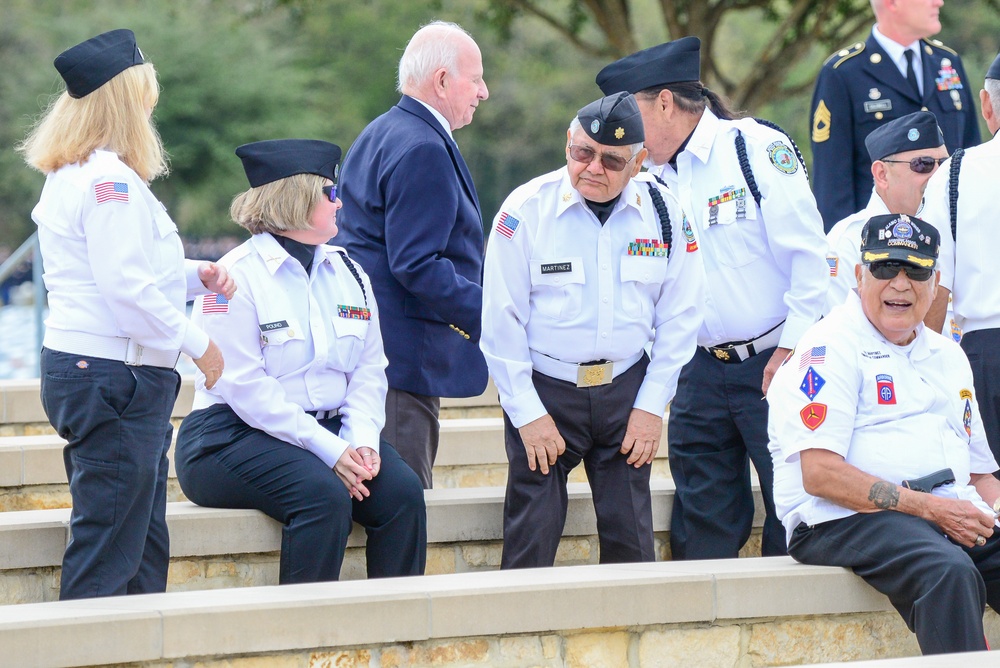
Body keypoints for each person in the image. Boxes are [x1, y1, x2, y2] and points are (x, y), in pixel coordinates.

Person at [16, 29, 233, 600]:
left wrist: (195, 275)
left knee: (136, 544)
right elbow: (126, 289)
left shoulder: (75, 175)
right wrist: (198, 343)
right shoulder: (109, 180)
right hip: (114, 374)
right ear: (122, 104)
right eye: (143, 100)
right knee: (112, 550)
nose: (148, 113)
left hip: (103, 371)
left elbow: (117, 272)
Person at [597, 37, 829, 560]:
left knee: (793, 514)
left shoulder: (751, 147)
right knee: (702, 523)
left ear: (663, 103)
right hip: (697, 371)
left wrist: (792, 349)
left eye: (629, 112)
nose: (624, 132)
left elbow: (811, 258)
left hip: (775, 361)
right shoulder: (645, 180)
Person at [174, 139, 426, 584]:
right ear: (295, 198)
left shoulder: (349, 272)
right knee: (323, 496)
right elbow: (246, 390)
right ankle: (305, 637)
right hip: (231, 436)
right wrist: (332, 451)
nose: (340, 202)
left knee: (403, 495)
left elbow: (369, 369)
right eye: (330, 192)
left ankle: (395, 632)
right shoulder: (236, 277)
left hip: (327, 429)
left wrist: (362, 440)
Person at [481, 92, 704, 568]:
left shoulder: (665, 213)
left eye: (611, 159)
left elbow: (682, 315)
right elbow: (500, 321)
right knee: (530, 543)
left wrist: (651, 405)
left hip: (626, 391)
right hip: (548, 391)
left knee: (633, 544)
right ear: (567, 143)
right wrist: (526, 412)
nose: (593, 168)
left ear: (640, 161)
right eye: (583, 153)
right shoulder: (524, 211)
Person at [768, 213, 1000, 656]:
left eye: (915, 270)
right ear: (859, 275)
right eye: (884, 267)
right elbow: (820, 476)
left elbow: (982, 474)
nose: (900, 284)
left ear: (935, 284)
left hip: (943, 510)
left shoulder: (950, 356)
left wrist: (993, 507)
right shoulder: (828, 348)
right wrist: (930, 509)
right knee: (948, 573)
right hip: (839, 517)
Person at [336, 21, 490, 488]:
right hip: (401, 362)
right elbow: (416, 263)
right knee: (402, 511)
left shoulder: (384, 129)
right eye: (476, 78)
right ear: (442, 81)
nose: (484, 92)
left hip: (378, 350)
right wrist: (497, 313)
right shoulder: (423, 145)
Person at [810, 0, 980, 231]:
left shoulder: (947, 61)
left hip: (951, 233)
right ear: (892, 3)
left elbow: (970, 153)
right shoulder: (843, 72)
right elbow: (832, 182)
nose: (938, 2)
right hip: (881, 242)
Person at [921, 52, 1000, 464]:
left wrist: (924, 371)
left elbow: (934, 284)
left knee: (990, 498)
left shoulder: (956, 173)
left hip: (987, 357)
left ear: (986, 106)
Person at [825, 111, 947, 313]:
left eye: (944, 165)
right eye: (922, 164)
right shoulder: (848, 241)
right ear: (882, 174)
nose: (937, 176)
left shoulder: (954, 232)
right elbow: (842, 332)